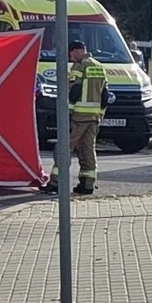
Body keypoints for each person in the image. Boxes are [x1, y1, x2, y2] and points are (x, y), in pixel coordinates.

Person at [41, 39, 108, 196]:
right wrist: (100, 113)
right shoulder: (99, 66)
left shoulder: (80, 66)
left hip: (78, 116)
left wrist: (68, 112)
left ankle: (56, 184)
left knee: (63, 148)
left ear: (76, 51)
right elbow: (105, 95)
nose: (70, 59)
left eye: (70, 55)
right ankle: (87, 184)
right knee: (87, 149)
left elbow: (75, 90)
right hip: (94, 117)